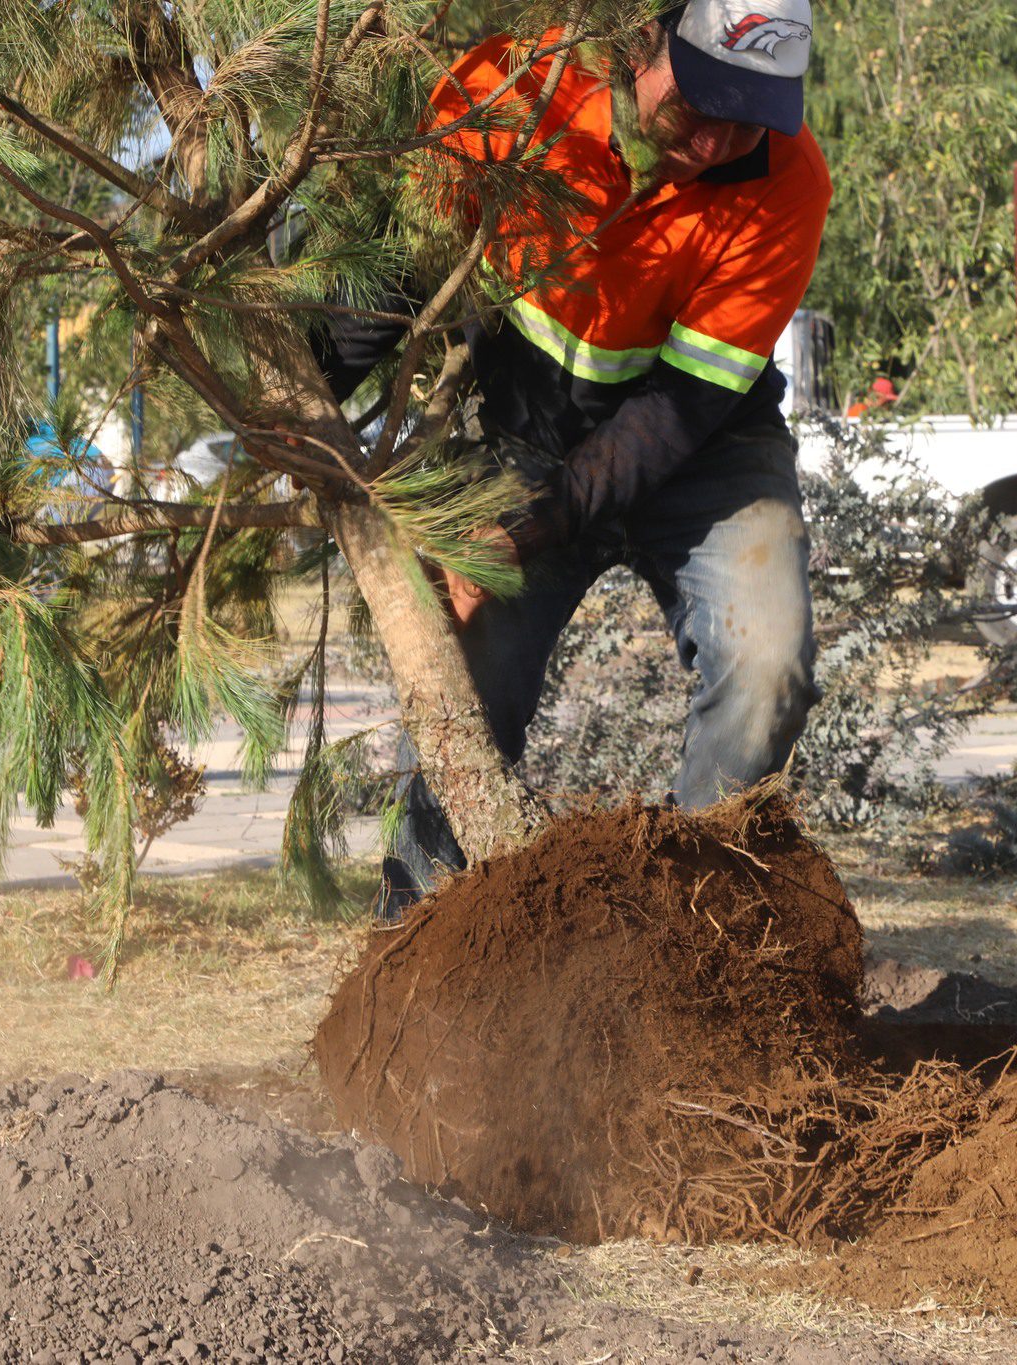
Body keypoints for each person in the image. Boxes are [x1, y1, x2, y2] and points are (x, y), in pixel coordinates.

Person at [316, 1, 831, 914]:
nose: (715, 142)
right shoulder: (514, 94)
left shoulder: (788, 183)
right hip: (526, 432)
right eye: (702, 103)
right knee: (465, 683)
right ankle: (416, 949)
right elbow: (400, 271)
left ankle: (692, 938)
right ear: (646, 35)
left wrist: (511, 538)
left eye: (746, 116)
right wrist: (303, 395)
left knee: (767, 663)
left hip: (707, 447)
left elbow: (678, 414)